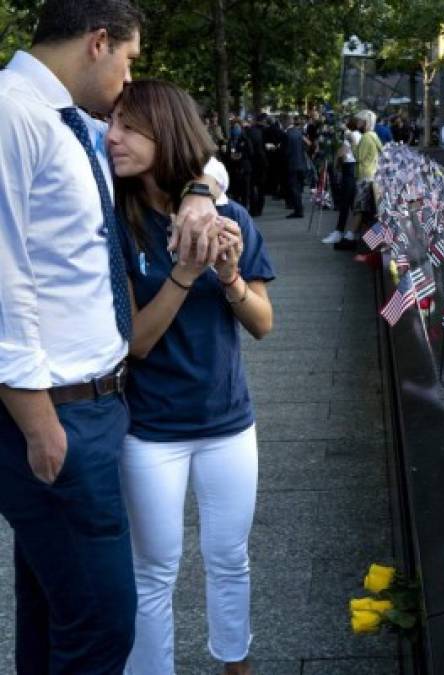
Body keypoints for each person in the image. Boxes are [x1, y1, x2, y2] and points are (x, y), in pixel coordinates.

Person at [0, 1, 224, 671]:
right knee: (101, 625)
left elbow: (196, 156)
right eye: (128, 62)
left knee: (54, 609)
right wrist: (41, 423)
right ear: (99, 42)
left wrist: (198, 192)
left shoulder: (73, 124)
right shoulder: (13, 114)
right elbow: (3, 277)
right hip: (56, 410)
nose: (130, 81)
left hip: (93, 406)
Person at [107, 79, 275, 675]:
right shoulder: (117, 223)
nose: (112, 137)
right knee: (154, 571)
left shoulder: (226, 217)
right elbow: (137, 343)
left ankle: (236, 664)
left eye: (128, 126)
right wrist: (184, 272)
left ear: (166, 131)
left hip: (228, 422)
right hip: (150, 430)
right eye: (113, 123)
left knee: (230, 558)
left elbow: (262, 323)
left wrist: (228, 275)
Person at [336, 110, 382, 250]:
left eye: (360, 121)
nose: (358, 124)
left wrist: (352, 142)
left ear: (366, 123)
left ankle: (350, 238)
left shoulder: (366, 137)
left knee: (359, 209)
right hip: (371, 174)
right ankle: (354, 238)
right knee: (362, 211)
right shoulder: (374, 136)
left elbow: (358, 156)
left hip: (364, 176)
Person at [322, 117, 359, 245]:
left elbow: (342, 153)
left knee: (346, 203)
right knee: (351, 204)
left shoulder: (351, 134)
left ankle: (341, 231)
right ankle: (347, 232)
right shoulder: (357, 135)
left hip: (350, 168)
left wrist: (337, 163)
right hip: (353, 168)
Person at [284, 114, 309, 219]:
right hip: (301, 163)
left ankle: (298, 210)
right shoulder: (299, 132)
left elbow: (286, 152)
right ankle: (299, 208)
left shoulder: (287, 134)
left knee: (294, 188)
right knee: (298, 188)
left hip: (292, 164)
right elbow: (307, 144)